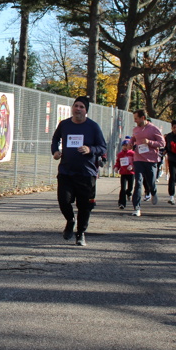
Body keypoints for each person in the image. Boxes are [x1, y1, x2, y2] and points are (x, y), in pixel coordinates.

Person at [50, 96, 108, 245]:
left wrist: (90, 149)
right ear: (72, 108)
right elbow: (55, 139)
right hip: (66, 171)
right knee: (63, 200)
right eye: (76, 106)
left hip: (86, 173)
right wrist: (55, 151)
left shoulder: (93, 127)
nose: (78, 109)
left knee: (84, 206)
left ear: (86, 110)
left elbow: (102, 147)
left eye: (81, 107)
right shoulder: (64, 124)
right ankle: (70, 220)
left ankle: (81, 233)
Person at [129, 110, 165, 216]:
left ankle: (153, 192)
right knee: (138, 183)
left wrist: (150, 142)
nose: (135, 121)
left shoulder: (153, 129)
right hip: (138, 159)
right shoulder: (136, 129)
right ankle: (137, 207)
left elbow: (162, 143)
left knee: (151, 182)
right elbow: (133, 138)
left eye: (136, 118)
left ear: (143, 118)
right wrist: (131, 143)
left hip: (150, 160)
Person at [113, 138, 136, 210]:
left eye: (127, 145)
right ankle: (121, 203)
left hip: (131, 173)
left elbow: (135, 162)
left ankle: (128, 193)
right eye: (124, 145)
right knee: (122, 188)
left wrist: (132, 166)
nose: (125, 147)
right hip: (123, 173)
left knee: (130, 187)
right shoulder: (120, 154)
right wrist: (116, 167)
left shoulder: (132, 153)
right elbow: (118, 162)